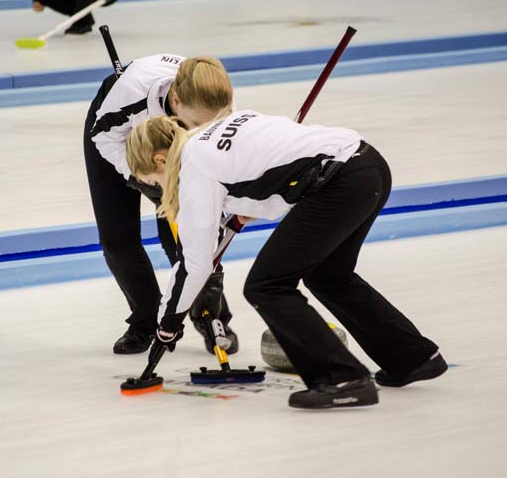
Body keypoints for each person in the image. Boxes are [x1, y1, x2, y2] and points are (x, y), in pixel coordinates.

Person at [126, 110, 447, 409]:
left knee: (267, 285)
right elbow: (266, 168)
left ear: (160, 158)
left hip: (338, 183)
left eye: (154, 180)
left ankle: (343, 377)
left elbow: (194, 263)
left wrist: (167, 325)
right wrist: (245, 208)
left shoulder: (194, 166)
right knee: (329, 276)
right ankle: (412, 357)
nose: (159, 187)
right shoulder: (213, 129)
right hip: (367, 166)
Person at [85, 54, 240, 355]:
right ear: (177, 100)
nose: (200, 130)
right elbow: (103, 138)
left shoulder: (218, 102)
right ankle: (145, 320)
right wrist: (140, 176)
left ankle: (210, 314)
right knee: (118, 238)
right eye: (195, 124)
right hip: (117, 138)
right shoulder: (130, 95)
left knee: (188, 234)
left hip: (175, 149)